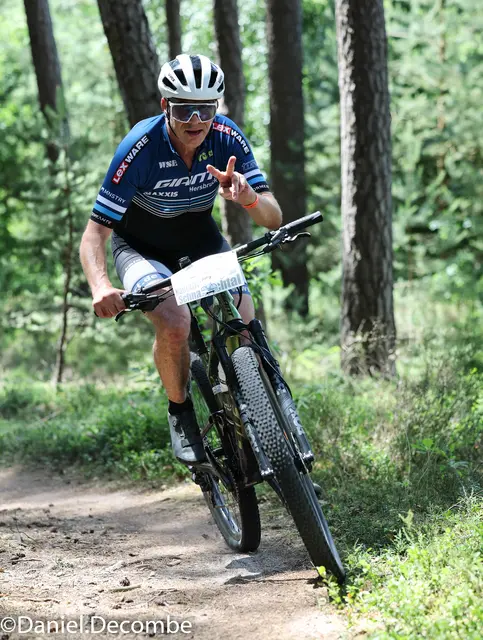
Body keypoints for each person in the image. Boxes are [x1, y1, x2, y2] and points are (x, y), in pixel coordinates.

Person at [79, 54, 282, 465]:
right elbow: (94, 233)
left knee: (244, 324)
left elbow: (273, 217)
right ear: (164, 106)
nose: (195, 119)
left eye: (205, 109)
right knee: (175, 322)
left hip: (200, 240)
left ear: (216, 108)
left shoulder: (226, 137)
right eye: (184, 108)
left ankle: (267, 427)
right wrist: (100, 286)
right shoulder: (139, 148)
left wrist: (248, 198)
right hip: (141, 249)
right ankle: (181, 411)